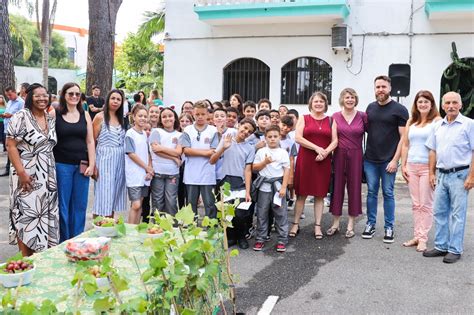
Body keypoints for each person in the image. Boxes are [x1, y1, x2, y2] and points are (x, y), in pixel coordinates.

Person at [6, 83, 59, 256]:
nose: (42, 98)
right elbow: (11, 145)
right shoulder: (21, 116)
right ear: (30, 97)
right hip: (26, 174)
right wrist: (21, 173)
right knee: (26, 216)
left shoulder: (49, 118)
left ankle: (40, 259)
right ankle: (27, 259)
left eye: (45, 95)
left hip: (48, 176)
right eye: (37, 95)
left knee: (44, 215)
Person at [423, 92, 474, 263]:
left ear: (461, 105)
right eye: (447, 103)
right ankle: (441, 245)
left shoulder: (469, 124)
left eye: (454, 102)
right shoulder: (438, 126)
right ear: (443, 105)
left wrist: (471, 177)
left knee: (457, 215)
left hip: (460, 175)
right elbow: (433, 150)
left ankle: (454, 249)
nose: (451, 106)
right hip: (441, 175)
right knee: (439, 212)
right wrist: (431, 173)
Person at [362, 75, 409, 243]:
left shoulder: (400, 110)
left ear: (390, 88)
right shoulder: (370, 108)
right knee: (371, 192)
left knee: (388, 193)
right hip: (370, 159)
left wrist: (395, 160)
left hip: (389, 160)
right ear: (374, 89)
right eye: (377, 87)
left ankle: (389, 227)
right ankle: (370, 224)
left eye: (383, 86)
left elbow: (403, 138)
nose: (380, 89)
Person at [289, 92, 338, 239]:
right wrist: (317, 148)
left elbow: (335, 141)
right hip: (306, 160)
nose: (318, 104)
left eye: (321, 102)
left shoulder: (331, 120)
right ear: (311, 103)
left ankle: (317, 226)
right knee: (301, 194)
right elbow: (298, 137)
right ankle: (296, 224)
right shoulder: (304, 118)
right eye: (316, 101)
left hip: (323, 161)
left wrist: (325, 152)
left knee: (319, 195)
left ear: (325, 104)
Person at [53, 83, 96, 243]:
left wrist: (92, 164)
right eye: (71, 94)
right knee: (63, 205)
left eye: (77, 94)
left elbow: (90, 141)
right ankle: (64, 240)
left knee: (79, 204)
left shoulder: (84, 114)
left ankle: (77, 239)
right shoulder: (55, 113)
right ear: (64, 95)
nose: (74, 97)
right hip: (61, 165)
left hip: (82, 165)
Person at [400, 90, 441, 252]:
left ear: (431, 104)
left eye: (426, 101)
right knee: (416, 205)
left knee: (426, 205)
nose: (422, 104)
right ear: (416, 104)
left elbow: (437, 146)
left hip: (426, 168)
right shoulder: (411, 121)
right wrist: (403, 165)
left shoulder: (437, 121)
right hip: (412, 166)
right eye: (420, 102)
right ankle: (417, 236)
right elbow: (405, 144)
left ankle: (423, 238)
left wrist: (433, 171)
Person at [210, 118, 257, 249]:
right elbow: (212, 160)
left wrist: (248, 191)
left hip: (240, 183)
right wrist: (223, 148)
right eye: (245, 127)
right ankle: (230, 237)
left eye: (250, 131)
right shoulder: (226, 138)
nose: (246, 132)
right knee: (227, 213)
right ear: (239, 125)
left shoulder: (250, 148)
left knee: (241, 213)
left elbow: (248, 170)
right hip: (226, 182)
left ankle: (241, 236)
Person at [327, 88, 367, 238]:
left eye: (352, 97)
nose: (349, 100)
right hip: (339, 154)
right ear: (342, 99)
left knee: (354, 188)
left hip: (356, 155)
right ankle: (335, 223)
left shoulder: (363, 116)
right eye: (347, 97)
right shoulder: (335, 116)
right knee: (337, 187)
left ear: (355, 99)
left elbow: (374, 134)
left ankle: (350, 224)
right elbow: (330, 137)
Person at [252, 125, 291, 252]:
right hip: (264, 187)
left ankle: (282, 239)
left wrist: (284, 187)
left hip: (278, 186)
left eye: (275, 136)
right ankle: (260, 239)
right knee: (262, 213)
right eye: (270, 137)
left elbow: (286, 171)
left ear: (280, 137)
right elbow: (254, 167)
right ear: (265, 138)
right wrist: (265, 163)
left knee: (280, 213)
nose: (272, 139)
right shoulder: (261, 152)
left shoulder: (283, 152)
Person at [181, 100, 219, 218]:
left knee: (209, 204)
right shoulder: (187, 130)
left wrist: (197, 152)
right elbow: (186, 151)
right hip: (191, 174)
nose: (200, 117)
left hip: (207, 174)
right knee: (191, 205)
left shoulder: (213, 130)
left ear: (207, 114)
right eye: (197, 114)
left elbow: (213, 152)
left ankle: (210, 230)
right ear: (193, 113)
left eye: (203, 114)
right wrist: (206, 152)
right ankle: (191, 230)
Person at [92, 89, 127, 218]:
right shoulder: (99, 117)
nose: (115, 101)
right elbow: (91, 141)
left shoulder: (122, 118)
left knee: (114, 194)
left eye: (118, 99)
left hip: (119, 159)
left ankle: (109, 224)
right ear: (108, 100)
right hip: (104, 158)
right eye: (113, 98)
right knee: (103, 195)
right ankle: (98, 228)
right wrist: (93, 164)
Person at [149, 107, 182, 215]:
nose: (167, 118)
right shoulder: (156, 132)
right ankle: (157, 227)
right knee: (157, 201)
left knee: (171, 201)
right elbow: (155, 150)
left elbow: (178, 152)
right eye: (164, 117)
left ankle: (173, 227)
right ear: (160, 119)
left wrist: (162, 148)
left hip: (173, 173)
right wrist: (173, 157)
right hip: (158, 172)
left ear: (175, 118)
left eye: (170, 116)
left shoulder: (179, 135)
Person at [125, 104, 153, 224]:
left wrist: (149, 169)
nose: (142, 118)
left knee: (140, 205)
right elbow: (131, 153)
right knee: (135, 205)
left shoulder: (145, 134)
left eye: (145, 116)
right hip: (134, 174)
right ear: (134, 117)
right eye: (140, 116)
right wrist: (146, 167)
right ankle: (130, 230)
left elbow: (148, 153)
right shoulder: (130, 134)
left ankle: (135, 230)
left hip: (144, 175)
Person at [1, 86, 25, 176]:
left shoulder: (21, 102)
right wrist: (4, 115)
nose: (9, 97)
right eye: (7, 95)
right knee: (8, 149)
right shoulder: (10, 102)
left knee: (12, 149)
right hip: (7, 128)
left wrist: (10, 115)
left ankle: (11, 168)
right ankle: (10, 168)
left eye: (10, 95)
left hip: (15, 130)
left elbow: (22, 115)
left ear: (15, 92)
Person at [177, 112, 194, 209]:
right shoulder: (177, 135)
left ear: (191, 123)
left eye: (187, 121)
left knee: (190, 192)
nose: (184, 123)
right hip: (180, 166)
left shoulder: (193, 135)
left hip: (191, 166)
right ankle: (181, 211)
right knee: (180, 192)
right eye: (182, 121)